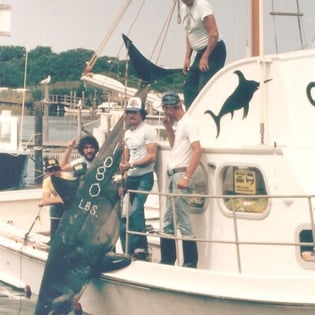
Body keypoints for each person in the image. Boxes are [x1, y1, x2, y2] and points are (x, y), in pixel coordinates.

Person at [160, 91, 201, 268]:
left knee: (183, 219)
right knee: (168, 220)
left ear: (169, 108)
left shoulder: (189, 123)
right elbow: (175, 147)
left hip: (180, 175)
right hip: (173, 174)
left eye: (164, 109)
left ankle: (191, 262)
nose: (163, 112)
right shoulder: (180, 125)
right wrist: (169, 129)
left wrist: (186, 177)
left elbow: (198, 150)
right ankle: (168, 259)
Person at [119, 96, 158, 260]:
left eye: (135, 112)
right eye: (129, 112)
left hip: (144, 176)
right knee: (126, 215)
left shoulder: (148, 130)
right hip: (131, 177)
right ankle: (129, 249)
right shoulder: (127, 134)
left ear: (142, 114)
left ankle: (141, 248)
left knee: (135, 210)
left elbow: (152, 156)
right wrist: (124, 178)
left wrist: (131, 164)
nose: (132, 115)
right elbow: (125, 159)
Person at [181, 0, 226, 109]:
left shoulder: (202, 6)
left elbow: (214, 34)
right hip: (200, 52)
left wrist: (205, 56)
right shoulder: (183, 8)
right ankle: (192, 116)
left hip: (214, 50)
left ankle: (205, 115)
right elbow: (190, 32)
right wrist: (187, 57)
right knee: (188, 88)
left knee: (203, 88)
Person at [38, 158, 73, 242]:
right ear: (47, 172)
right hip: (61, 204)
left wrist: (46, 201)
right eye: (50, 170)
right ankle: (53, 239)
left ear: (59, 170)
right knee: (54, 208)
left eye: (56, 170)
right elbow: (46, 199)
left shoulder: (67, 178)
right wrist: (47, 201)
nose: (54, 173)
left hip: (72, 204)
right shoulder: (47, 181)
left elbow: (67, 198)